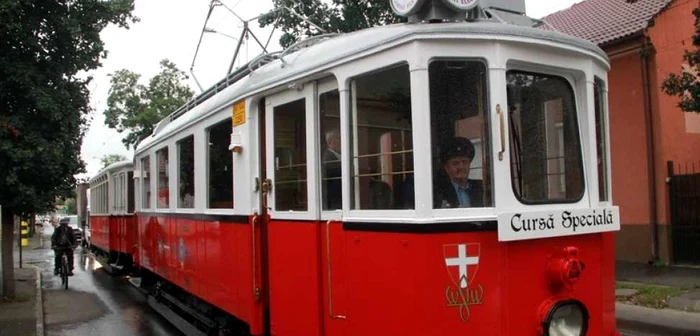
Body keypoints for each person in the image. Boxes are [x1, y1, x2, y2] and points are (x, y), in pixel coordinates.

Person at [433, 137, 484, 208]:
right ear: (447, 168)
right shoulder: (438, 192)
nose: (461, 167)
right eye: (455, 163)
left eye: (465, 162)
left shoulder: (481, 188)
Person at [322, 128, 342, 210]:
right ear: (331, 141)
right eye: (338, 138)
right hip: (334, 193)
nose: (341, 141)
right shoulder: (328, 156)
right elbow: (336, 171)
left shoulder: (338, 154)